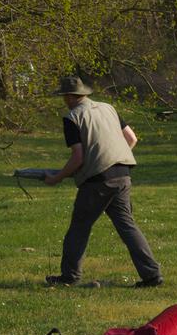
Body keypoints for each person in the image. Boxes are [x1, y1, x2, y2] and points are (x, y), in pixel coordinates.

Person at [44, 76, 162, 288]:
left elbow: (78, 157)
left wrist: (57, 178)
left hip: (98, 181)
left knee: (79, 227)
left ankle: (69, 276)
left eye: (64, 96)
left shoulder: (72, 117)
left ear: (71, 96)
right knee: (127, 226)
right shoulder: (109, 108)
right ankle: (152, 275)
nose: (64, 100)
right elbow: (131, 139)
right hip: (123, 174)